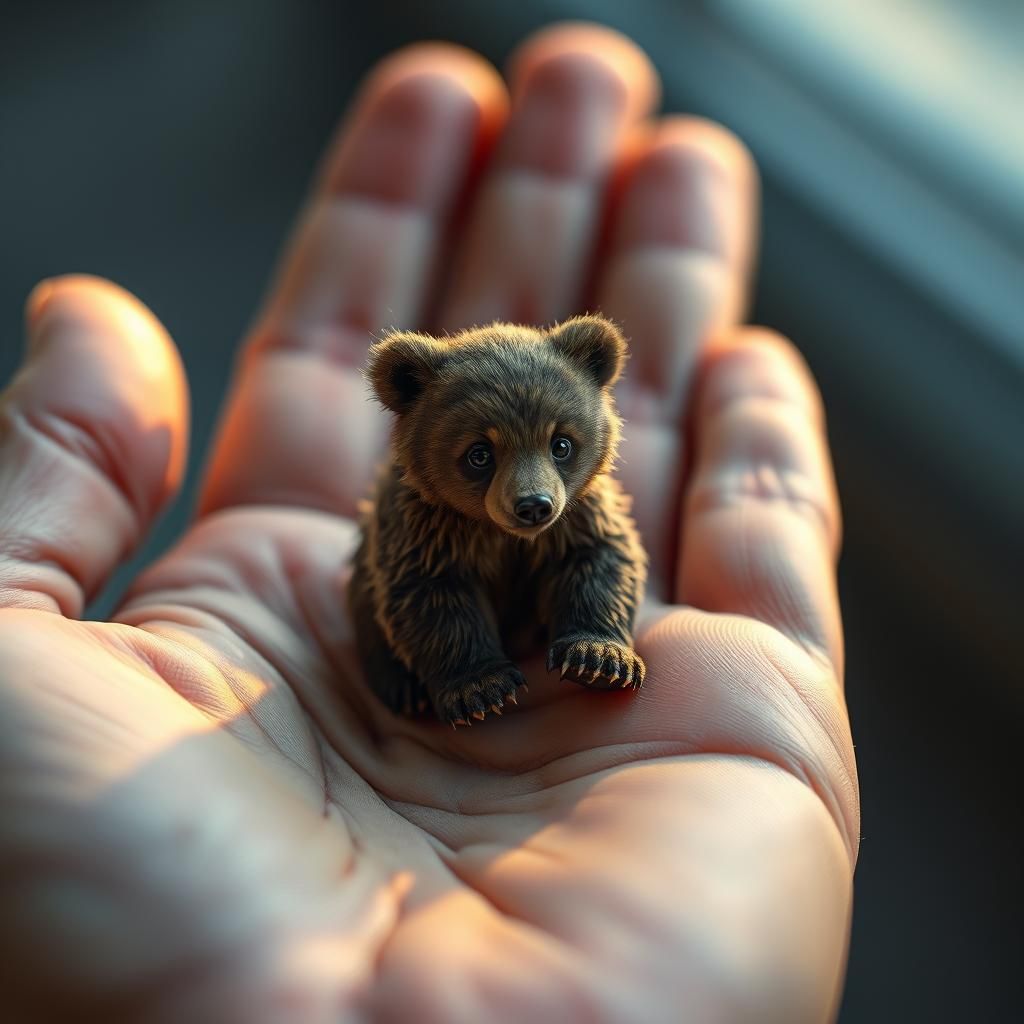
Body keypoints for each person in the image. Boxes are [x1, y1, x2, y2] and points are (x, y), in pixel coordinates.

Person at [0, 22, 859, 1023]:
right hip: (404, 677)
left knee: (591, 562)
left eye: (560, 452)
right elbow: (419, 598)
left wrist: (592, 630)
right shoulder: (416, 513)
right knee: (396, 596)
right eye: (485, 458)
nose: (534, 489)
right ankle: (425, 679)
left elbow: (602, 563)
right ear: (413, 407)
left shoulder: (582, 502)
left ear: (595, 388)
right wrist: (459, 670)